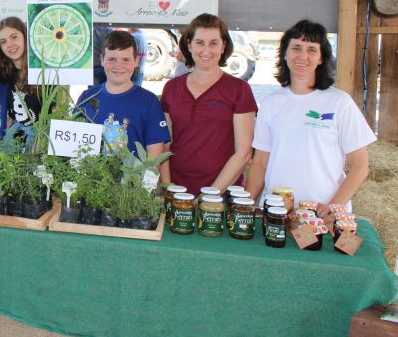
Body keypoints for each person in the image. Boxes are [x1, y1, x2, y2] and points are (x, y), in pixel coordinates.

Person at [246, 20, 376, 215]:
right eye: (296, 48)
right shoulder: (270, 103)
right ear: (285, 53)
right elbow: (260, 162)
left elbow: (360, 165)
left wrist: (332, 208)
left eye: (312, 50)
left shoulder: (339, 102)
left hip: (322, 215)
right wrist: (246, 205)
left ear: (321, 58)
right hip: (276, 212)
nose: (302, 56)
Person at [159, 14, 257, 195]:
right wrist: (168, 189)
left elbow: (243, 153)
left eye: (213, 43)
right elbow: (165, 145)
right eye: (199, 43)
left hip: (222, 195)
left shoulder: (239, 89)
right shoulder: (172, 88)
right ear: (189, 45)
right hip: (177, 192)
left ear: (223, 46)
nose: (206, 50)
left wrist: (209, 196)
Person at [76, 30, 170, 157]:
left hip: (135, 170)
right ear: (102, 60)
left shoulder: (149, 102)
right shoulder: (86, 98)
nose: (118, 65)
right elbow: (73, 147)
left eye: (126, 59)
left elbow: (154, 159)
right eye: (112, 59)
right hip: (90, 169)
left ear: (136, 61)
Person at [0, 17, 42, 141]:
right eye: (3, 41)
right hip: (14, 145)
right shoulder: (3, 75)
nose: (9, 44)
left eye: (14, 37)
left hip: (41, 143)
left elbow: (56, 112)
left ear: (25, 36)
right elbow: (10, 115)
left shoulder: (43, 72)